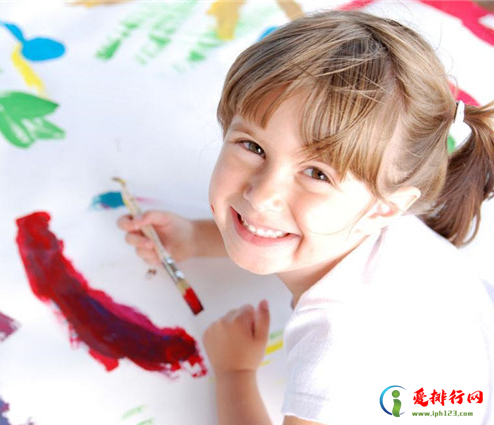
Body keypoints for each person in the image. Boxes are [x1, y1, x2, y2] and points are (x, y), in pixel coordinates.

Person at [117, 10, 494, 425]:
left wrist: (235, 372)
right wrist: (195, 238)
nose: (262, 195)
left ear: (384, 208)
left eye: (317, 174)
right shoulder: (387, 223)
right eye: (252, 146)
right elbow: (270, 226)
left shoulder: (339, 350)